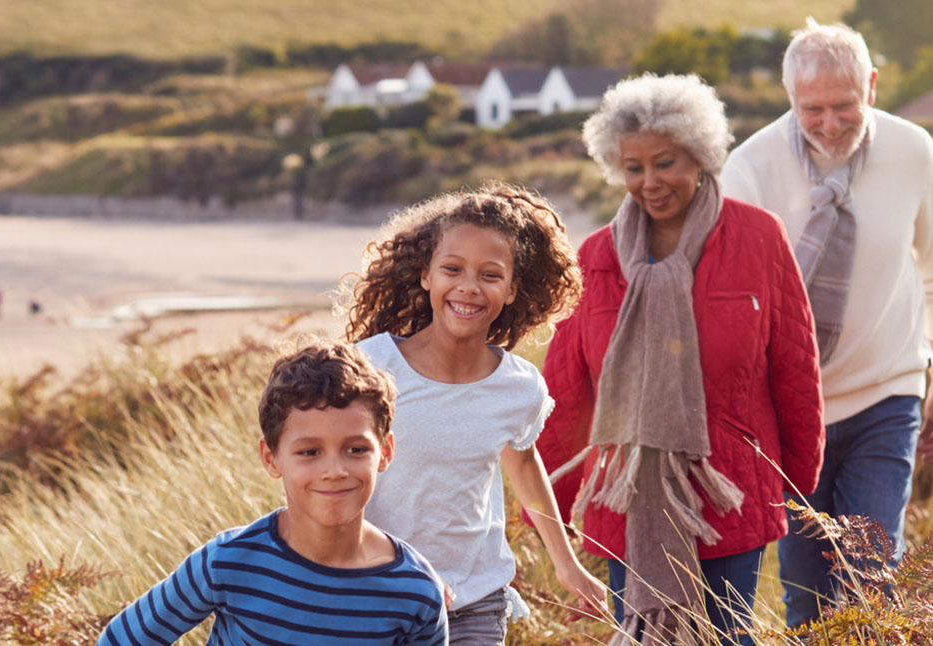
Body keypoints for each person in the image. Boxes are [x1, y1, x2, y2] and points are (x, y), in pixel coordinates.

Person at [537, 74, 825, 645]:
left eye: (665, 162)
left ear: (699, 154)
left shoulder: (759, 237)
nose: (649, 182)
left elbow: (794, 364)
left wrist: (798, 482)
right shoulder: (594, 258)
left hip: (730, 490)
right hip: (629, 499)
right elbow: (565, 391)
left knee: (727, 638)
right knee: (645, 637)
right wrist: (548, 512)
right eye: (634, 167)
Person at [721, 19, 933, 628]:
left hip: (886, 396)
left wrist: (925, 364)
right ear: (791, 100)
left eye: (845, 104)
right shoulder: (751, 169)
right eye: (813, 109)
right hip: (790, 414)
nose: (831, 123)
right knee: (808, 599)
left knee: (872, 576)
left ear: (871, 84)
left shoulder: (913, 150)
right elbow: (738, 305)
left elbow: (930, 264)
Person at [343, 182, 607, 645]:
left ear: (510, 290)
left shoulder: (518, 387)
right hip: (377, 598)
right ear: (427, 275)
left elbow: (523, 462)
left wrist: (568, 566)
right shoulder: (369, 367)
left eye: (490, 275)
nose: (468, 287)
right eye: (452, 269)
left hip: (475, 602)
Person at [97, 341, 448, 646]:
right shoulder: (228, 561)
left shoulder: (416, 591)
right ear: (271, 457)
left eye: (356, 449)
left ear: (385, 452)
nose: (335, 471)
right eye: (309, 452)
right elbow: (121, 639)